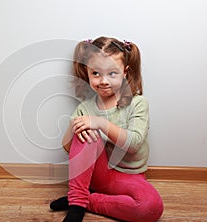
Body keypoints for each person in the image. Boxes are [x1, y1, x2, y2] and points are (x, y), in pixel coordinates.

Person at [50, 36, 163, 222]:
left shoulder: (138, 104)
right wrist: (75, 127)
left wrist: (100, 123)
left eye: (112, 73)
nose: (103, 81)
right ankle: (77, 204)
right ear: (87, 73)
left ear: (125, 72)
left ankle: (84, 200)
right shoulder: (85, 108)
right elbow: (68, 148)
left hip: (130, 177)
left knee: (151, 207)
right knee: (84, 128)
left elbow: (133, 144)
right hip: (96, 175)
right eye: (96, 73)